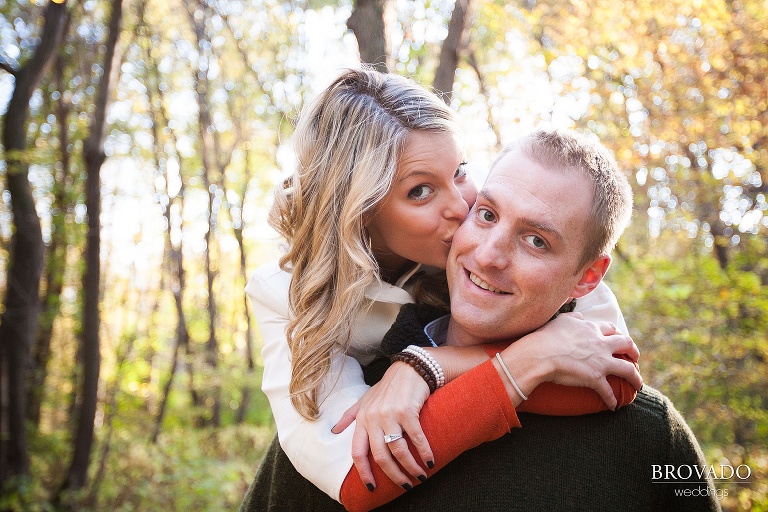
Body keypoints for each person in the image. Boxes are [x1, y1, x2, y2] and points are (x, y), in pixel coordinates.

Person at [241, 129, 719, 511]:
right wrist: (429, 364)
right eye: (487, 214)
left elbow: (617, 369)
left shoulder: (648, 436)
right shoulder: (347, 414)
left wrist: (431, 364)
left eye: (537, 241)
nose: (489, 256)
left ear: (587, 278)